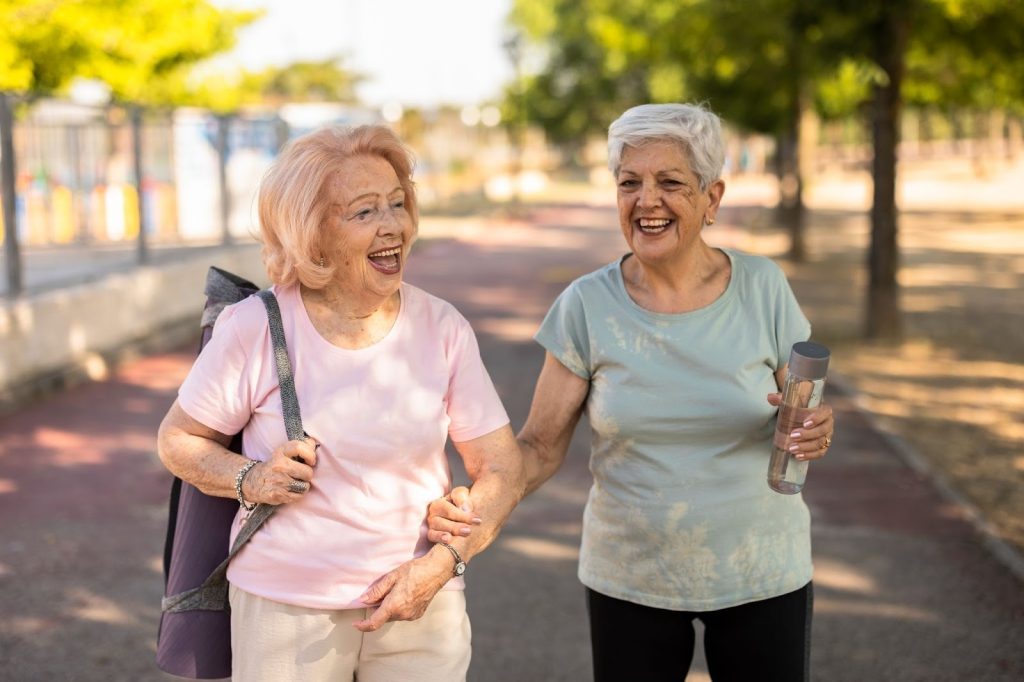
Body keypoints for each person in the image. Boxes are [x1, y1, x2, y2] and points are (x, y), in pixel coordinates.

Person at [428, 103, 835, 682]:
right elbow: (539, 448)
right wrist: (472, 506)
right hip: (632, 575)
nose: (647, 200)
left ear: (711, 199)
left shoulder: (763, 287)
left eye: (670, 182)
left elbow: (803, 410)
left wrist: (816, 428)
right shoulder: (586, 305)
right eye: (629, 183)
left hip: (762, 570)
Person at [157, 124, 525, 682]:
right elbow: (178, 440)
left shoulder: (442, 326)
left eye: (398, 204)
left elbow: (501, 468)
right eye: (364, 212)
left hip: (421, 598)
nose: (393, 227)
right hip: (285, 608)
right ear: (312, 235)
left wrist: (447, 559)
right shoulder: (255, 327)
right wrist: (250, 479)